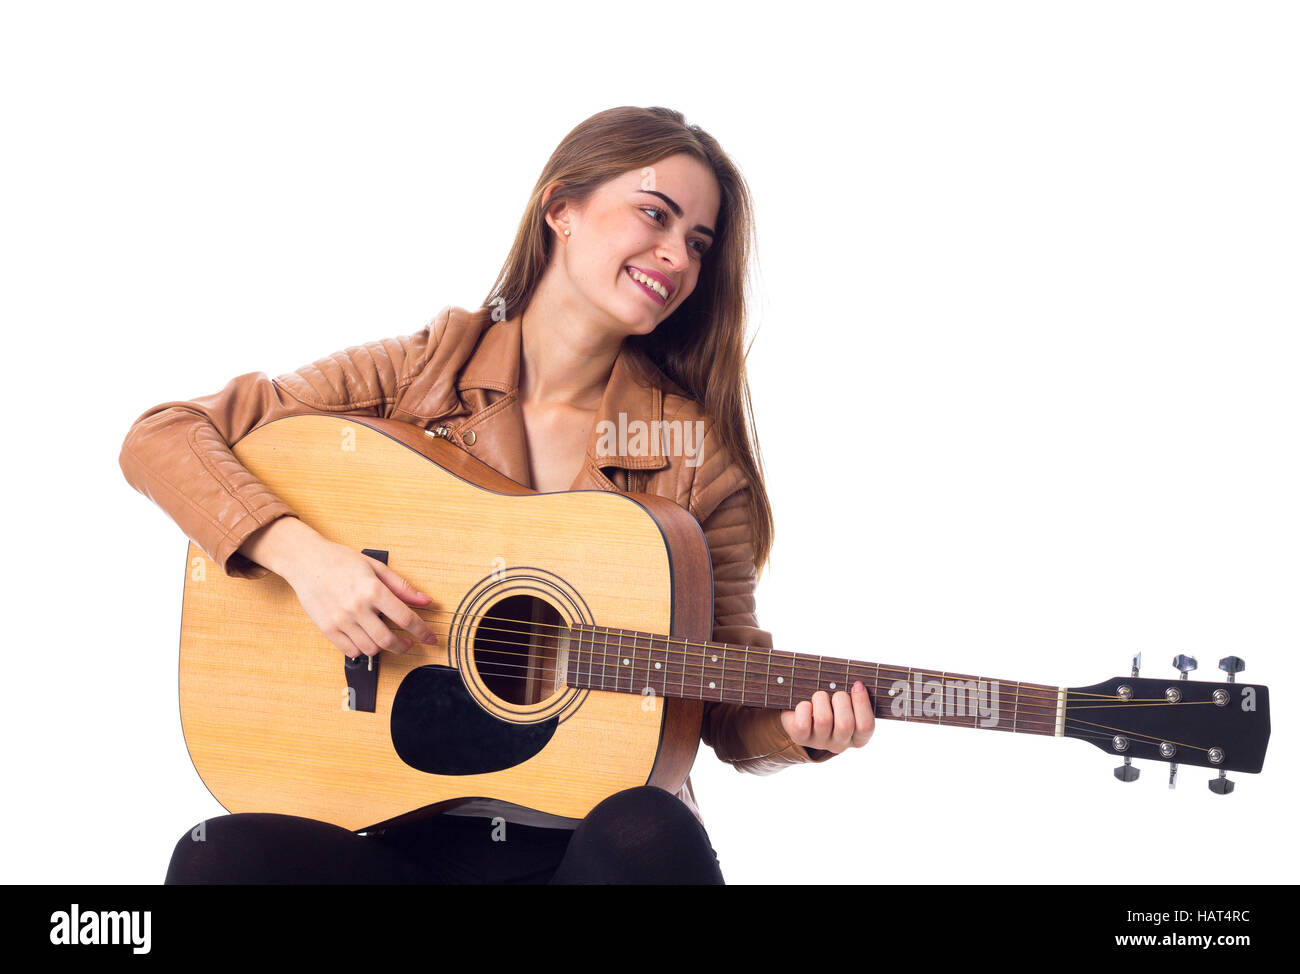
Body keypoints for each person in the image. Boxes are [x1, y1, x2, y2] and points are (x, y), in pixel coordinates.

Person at [119, 105, 875, 884]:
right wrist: (308, 561)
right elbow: (163, 435)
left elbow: (719, 692)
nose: (677, 256)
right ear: (561, 210)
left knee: (650, 830)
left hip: (584, 848)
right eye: (656, 215)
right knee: (223, 859)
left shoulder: (692, 456)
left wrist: (797, 729)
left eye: (698, 243)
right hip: (383, 826)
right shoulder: (417, 373)